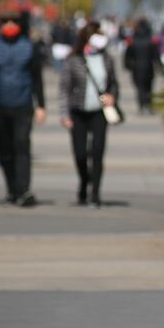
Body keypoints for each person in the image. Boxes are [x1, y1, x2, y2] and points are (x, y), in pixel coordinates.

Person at [0, 11, 46, 206]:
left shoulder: (29, 47)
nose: (9, 24)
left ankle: (24, 190)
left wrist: (41, 105)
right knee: (5, 150)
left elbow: (37, 79)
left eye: (14, 21)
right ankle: (12, 189)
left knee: (22, 145)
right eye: (5, 21)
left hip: (23, 105)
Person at [59, 22, 119, 208]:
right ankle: (84, 182)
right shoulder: (73, 60)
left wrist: (112, 96)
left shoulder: (107, 59)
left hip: (99, 113)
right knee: (80, 154)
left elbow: (113, 83)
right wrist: (64, 114)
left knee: (98, 152)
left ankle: (96, 194)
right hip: (78, 112)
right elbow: (64, 89)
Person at [124, 18, 159, 114]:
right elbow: (156, 55)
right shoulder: (151, 41)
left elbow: (127, 55)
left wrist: (128, 66)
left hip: (137, 67)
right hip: (149, 67)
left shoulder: (133, 41)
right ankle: (149, 104)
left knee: (140, 87)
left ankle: (142, 105)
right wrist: (159, 66)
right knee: (149, 87)